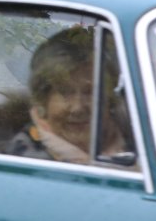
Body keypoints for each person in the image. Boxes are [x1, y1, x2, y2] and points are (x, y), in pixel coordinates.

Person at [9, 26, 130, 165]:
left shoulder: (132, 137)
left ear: (111, 99)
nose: (77, 108)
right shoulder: (27, 159)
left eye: (91, 92)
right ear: (43, 99)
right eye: (64, 92)